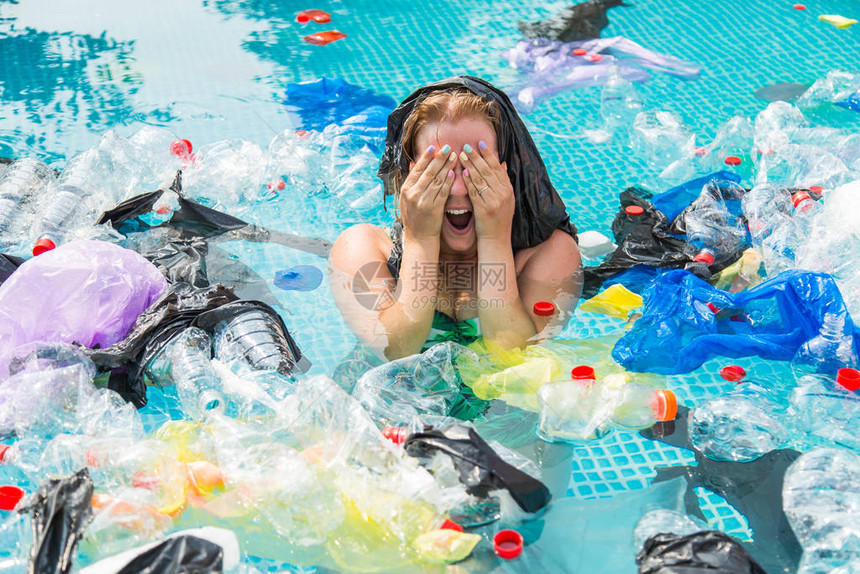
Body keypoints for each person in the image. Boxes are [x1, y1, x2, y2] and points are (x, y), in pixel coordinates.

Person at [330, 76, 582, 361]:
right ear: (410, 174)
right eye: (439, 170)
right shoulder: (364, 247)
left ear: (508, 173)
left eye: (477, 168)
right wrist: (420, 240)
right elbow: (395, 350)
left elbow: (511, 356)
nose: (460, 190)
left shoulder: (549, 255)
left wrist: (494, 239)